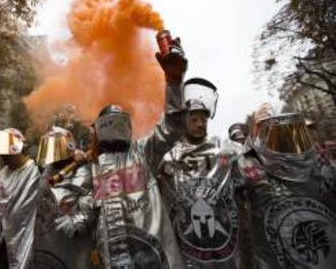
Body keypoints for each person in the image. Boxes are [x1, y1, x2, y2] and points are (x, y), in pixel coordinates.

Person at [79, 35, 187, 269]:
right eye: (108, 124)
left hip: (157, 259)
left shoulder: (143, 152)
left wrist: (174, 82)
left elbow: (172, 126)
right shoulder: (92, 167)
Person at [159, 77, 245, 268]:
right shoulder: (169, 158)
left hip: (225, 251)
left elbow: (243, 189)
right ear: (183, 121)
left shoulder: (225, 154)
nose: (200, 124)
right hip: (186, 249)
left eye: (203, 119)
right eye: (194, 119)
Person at [238, 107, 336, 269]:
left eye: (298, 134)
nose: (292, 143)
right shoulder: (257, 174)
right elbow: (245, 164)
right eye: (285, 137)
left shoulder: (323, 168)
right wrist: (253, 135)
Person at [0, 128, 53, 269]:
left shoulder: (38, 170)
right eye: (2, 153)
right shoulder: (1, 175)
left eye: (7, 153)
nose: (3, 157)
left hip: (31, 241)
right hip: (5, 243)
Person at [32, 125, 95, 268]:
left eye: (54, 148)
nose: (51, 154)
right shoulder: (48, 170)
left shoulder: (85, 170)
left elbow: (97, 201)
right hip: (45, 240)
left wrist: (79, 220)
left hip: (72, 244)